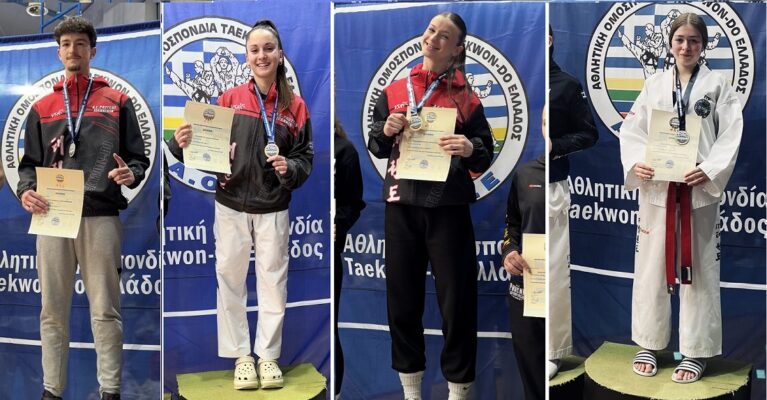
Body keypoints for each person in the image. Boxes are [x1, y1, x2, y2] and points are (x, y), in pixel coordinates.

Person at [168, 19, 313, 390]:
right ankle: (242, 358)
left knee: (273, 281)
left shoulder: (295, 106)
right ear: (247, 57)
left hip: (273, 205)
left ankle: (268, 357)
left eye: (268, 49)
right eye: (255, 50)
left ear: (280, 55)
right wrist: (180, 144)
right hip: (230, 202)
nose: (262, 55)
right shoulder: (229, 99)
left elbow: (305, 157)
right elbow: (207, 150)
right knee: (229, 279)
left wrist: (290, 167)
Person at [16, 16, 149, 400]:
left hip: (100, 216)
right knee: (51, 312)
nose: (72, 50)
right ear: (58, 52)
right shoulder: (42, 106)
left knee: (105, 310)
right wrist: (26, 191)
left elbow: (138, 159)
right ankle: (51, 391)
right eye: (66, 44)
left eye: (79, 43)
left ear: (93, 50)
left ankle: (110, 391)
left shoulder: (117, 101)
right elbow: (29, 165)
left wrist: (132, 173)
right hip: (52, 217)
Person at [368, 12, 493, 400]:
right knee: (402, 301)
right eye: (431, 30)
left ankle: (458, 391)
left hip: (447, 208)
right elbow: (376, 144)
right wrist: (385, 130)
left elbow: (485, 153)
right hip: (401, 205)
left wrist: (470, 147)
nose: (434, 38)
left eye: (444, 35)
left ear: (457, 49)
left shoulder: (466, 97)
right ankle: (411, 391)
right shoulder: (394, 90)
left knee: (457, 303)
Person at [620, 13, 742, 383]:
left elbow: (731, 134)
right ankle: (649, 343)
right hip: (658, 188)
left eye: (693, 40)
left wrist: (711, 169)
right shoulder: (654, 84)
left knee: (700, 269)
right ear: (670, 43)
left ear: (703, 45)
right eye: (680, 40)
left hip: (698, 189)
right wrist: (637, 163)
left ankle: (696, 351)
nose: (686, 47)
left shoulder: (717, 85)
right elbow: (633, 130)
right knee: (650, 267)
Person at [547, 25, 598, 379]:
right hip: (518, 184)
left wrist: (557, 146)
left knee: (551, 267)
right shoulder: (521, 80)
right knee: (519, 265)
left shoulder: (566, 84)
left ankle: (553, 350)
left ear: (549, 40)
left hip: (551, 184)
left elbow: (588, 133)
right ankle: (528, 341)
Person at [501, 109, 546, 400]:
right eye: (545, 123)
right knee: (532, 369)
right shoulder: (525, 173)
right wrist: (510, 252)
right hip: (528, 284)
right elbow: (512, 224)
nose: (549, 128)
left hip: (562, 286)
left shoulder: (573, 173)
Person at [333, 117, 365, 400]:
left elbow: (353, 203)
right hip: (287, 249)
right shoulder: (288, 145)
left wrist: (338, 224)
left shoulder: (343, 150)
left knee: (328, 327)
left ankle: (337, 394)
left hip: (326, 253)